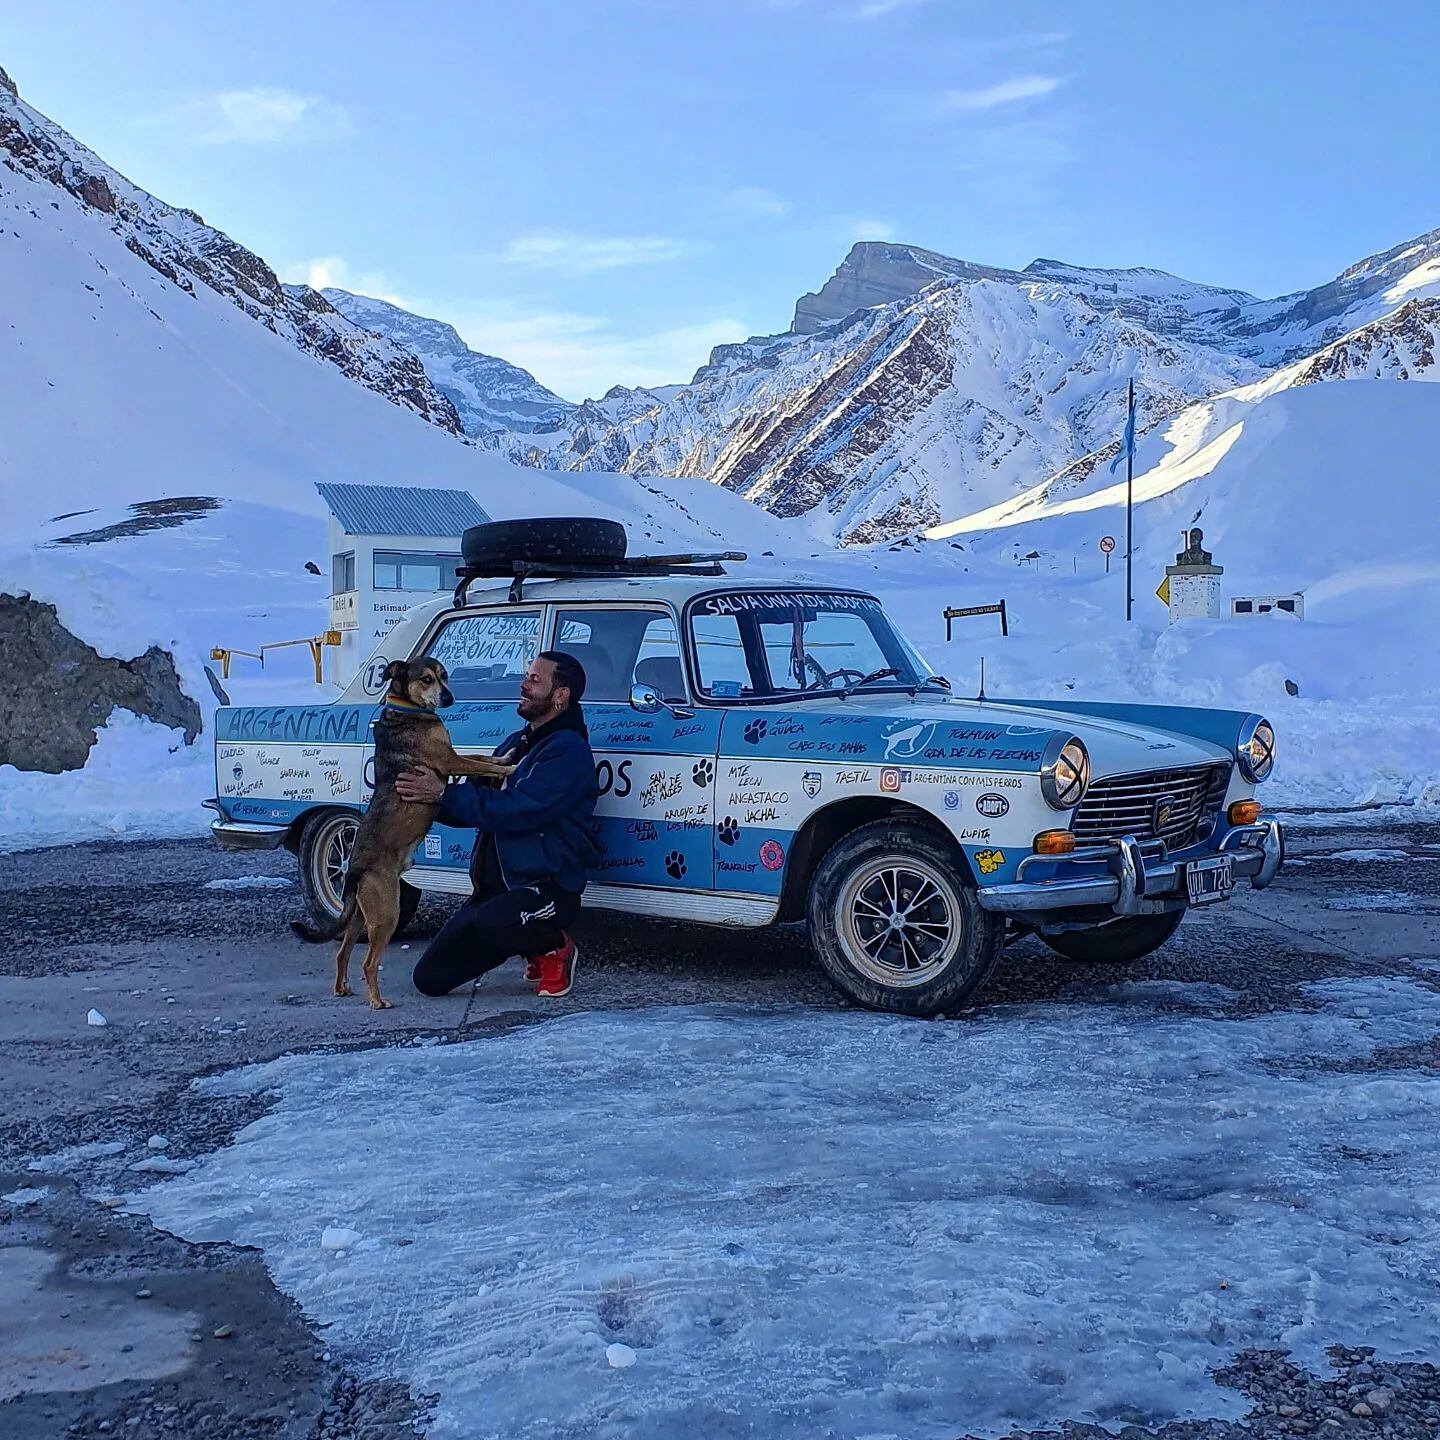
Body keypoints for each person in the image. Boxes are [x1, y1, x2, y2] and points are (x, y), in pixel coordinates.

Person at [398, 651, 599, 998]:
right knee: (429, 979)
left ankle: (553, 947)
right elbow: (475, 801)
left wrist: (444, 795)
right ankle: (527, 943)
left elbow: (518, 810)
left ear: (560, 695)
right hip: (497, 892)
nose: (523, 685)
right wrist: (422, 797)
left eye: (535, 679)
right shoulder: (517, 744)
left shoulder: (568, 752)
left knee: (498, 921)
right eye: (526, 676)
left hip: (546, 887)